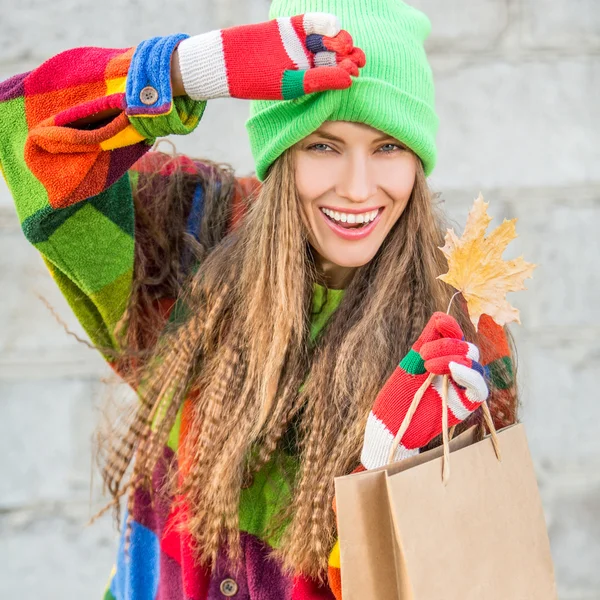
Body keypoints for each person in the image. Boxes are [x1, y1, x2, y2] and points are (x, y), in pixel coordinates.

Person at [0, 0, 517, 598]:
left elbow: (456, 581)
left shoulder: (457, 333)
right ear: (280, 150)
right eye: (322, 145)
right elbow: (23, 135)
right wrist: (186, 72)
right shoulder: (183, 235)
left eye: (388, 147)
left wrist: (385, 471)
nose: (357, 187)